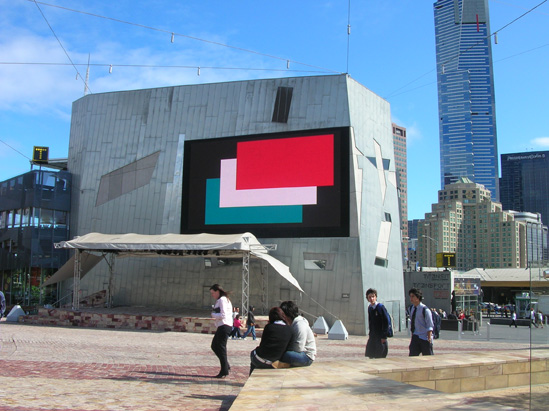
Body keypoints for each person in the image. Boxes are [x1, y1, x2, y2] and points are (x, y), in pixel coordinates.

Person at [249, 307, 293, 375]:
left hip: (261, 359)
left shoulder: (269, 327)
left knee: (253, 354)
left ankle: (251, 377)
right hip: (276, 361)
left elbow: (262, 344)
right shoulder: (289, 329)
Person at [279, 301, 316, 367]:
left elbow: (299, 347)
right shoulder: (293, 324)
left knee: (286, 355)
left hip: (306, 356)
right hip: (298, 353)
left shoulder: (300, 324)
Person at [209, 284, 233, 378]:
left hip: (224, 325)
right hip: (223, 325)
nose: (212, 295)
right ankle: (226, 366)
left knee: (220, 347)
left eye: (213, 293)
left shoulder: (222, 300)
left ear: (217, 291)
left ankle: (224, 370)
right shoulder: (223, 299)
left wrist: (213, 314)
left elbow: (223, 315)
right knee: (215, 346)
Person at [408, 288, 434, 356]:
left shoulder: (425, 310)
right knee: (412, 356)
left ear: (418, 297)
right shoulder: (411, 308)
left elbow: (430, 325)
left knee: (428, 358)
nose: (411, 298)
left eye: (413, 296)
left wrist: (429, 339)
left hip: (424, 337)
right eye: (410, 296)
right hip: (415, 336)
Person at [365, 288, 389, 359]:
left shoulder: (380, 307)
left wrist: (384, 336)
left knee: (380, 355)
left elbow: (386, 321)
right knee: (371, 354)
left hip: (380, 335)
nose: (371, 298)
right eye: (370, 297)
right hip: (373, 335)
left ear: (376, 297)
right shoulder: (370, 308)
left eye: (373, 296)